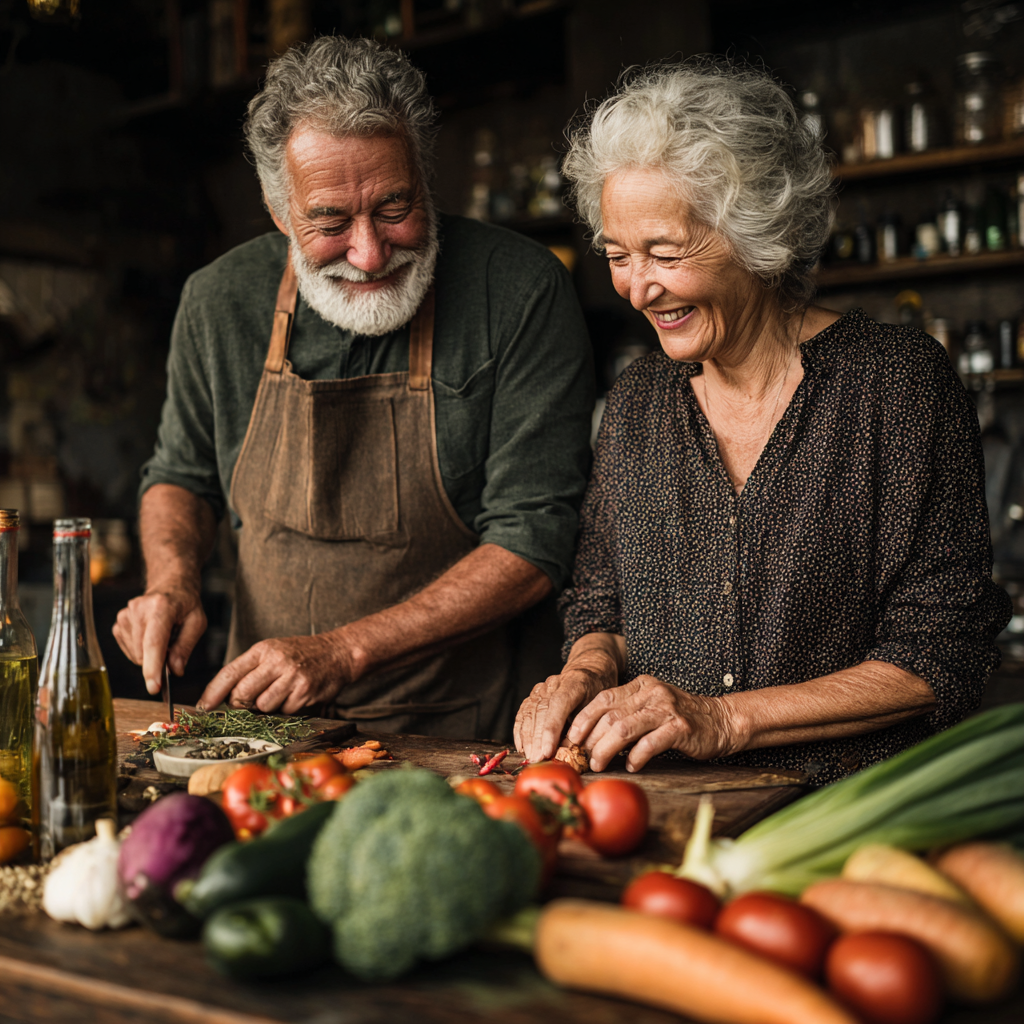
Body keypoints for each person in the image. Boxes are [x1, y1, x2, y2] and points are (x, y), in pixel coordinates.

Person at [514, 60, 1011, 783]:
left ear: (757, 233)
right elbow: (601, 599)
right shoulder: (638, 402)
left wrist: (723, 719)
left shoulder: (893, 383)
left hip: (841, 813)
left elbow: (939, 652)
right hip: (665, 809)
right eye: (619, 256)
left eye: (665, 252)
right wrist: (585, 673)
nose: (638, 287)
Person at [113, 37, 594, 740]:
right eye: (331, 222)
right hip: (260, 729)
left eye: (395, 207)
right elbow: (179, 475)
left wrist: (343, 652)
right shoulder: (219, 302)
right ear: (280, 215)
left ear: (425, 179)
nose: (370, 254)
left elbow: (535, 538)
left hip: (462, 735)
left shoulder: (518, 290)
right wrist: (172, 580)